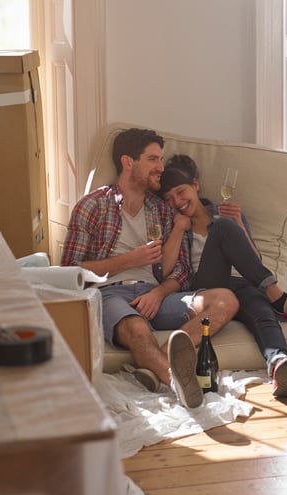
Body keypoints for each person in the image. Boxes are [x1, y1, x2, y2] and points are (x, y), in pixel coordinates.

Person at [61, 128, 238, 408]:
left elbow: (180, 270)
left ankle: (158, 360)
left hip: (158, 295)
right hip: (111, 294)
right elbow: (69, 270)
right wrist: (129, 260)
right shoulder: (92, 206)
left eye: (161, 159)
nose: (161, 167)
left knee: (225, 300)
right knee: (138, 330)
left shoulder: (163, 211)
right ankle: (179, 382)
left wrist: (158, 294)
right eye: (153, 159)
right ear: (128, 162)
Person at [155, 154, 287, 397]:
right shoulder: (174, 224)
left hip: (241, 283)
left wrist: (238, 224)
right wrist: (178, 228)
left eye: (181, 192)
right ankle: (280, 298)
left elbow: (254, 262)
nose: (177, 202)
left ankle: (279, 363)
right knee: (223, 228)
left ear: (195, 185)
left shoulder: (226, 213)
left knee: (261, 311)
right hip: (205, 290)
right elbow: (166, 269)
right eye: (169, 199)